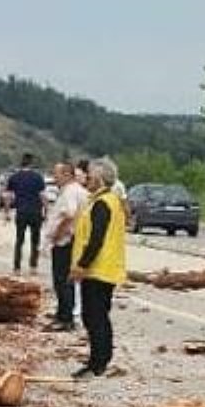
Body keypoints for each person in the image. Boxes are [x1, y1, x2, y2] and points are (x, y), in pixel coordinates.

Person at [69, 158, 128, 378]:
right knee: (98, 315)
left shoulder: (103, 203)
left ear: (100, 178)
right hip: (105, 268)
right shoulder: (107, 200)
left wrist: (82, 265)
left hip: (98, 269)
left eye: (91, 175)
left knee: (94, 317)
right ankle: (100, 359)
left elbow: (96, 239)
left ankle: (97, 363)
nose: (87, 179)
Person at [43, 162, 89, 331]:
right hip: (73, 240)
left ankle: (65, 318)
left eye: (57, 174)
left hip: (65, 241)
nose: (54, 177)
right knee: (64, 280)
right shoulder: (78, 191)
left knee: (62, 280)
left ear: (67, 175)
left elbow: (69, 215)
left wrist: (57, 234)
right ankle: (62, 312)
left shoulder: (70, 192)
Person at [4, 153, 47, 274]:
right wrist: (47, 210)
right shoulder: (38, 177)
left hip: (21, 211)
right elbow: (43, 196)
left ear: (21, 162)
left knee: (19, 240)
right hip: (35, 211)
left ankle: (17, 268)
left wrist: (7, 212)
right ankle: (33, 267)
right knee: (35, 240)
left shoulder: (14, 177)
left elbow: (7, 196)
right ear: (31, 163)